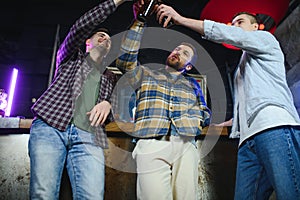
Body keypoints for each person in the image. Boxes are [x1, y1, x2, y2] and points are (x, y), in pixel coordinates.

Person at [155, 4, 300, 200]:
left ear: (256, 27)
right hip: (247, 141)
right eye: (231, 24)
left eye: (240, 22)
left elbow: (230, 34)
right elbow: (250, 103)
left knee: (290, 193)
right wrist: (229, 124)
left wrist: (180, 19)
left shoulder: (266, 40)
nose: (233, 26)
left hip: (274, 128)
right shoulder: (241, 67)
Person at [28, 0, 129, 199]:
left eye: (108, 39)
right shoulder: (69, 58)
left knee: (92, 196)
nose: (105, 38)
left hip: (89, 136)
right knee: (43, 195)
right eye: (100, 35)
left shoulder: (110, 76)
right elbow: (79, 27)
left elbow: (115, 106)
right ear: (87, 42)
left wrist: (108, 103)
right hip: (51, 127)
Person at [115, 2, 211, 199]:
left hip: (185, 144)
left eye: (185, 53)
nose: (178, 52)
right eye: (177, 49)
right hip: (151, 143)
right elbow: (124, 60)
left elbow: (205, 111)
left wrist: (196, 123)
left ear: (189, 66)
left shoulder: (193, 85)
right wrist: (140, 21)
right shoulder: (146, 74)